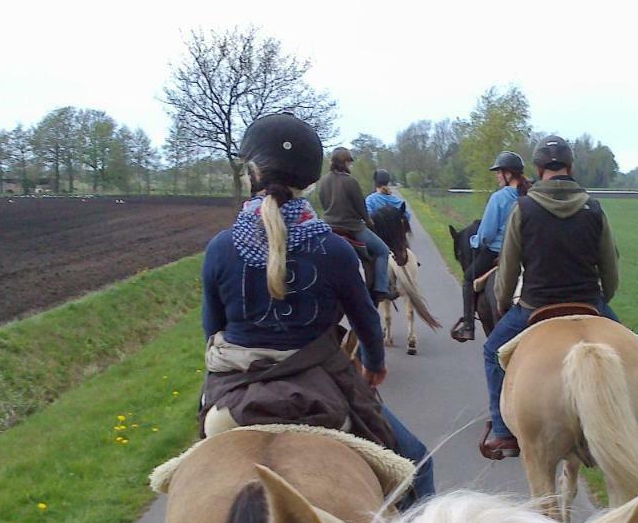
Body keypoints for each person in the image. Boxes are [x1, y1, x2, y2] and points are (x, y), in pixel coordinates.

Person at [200, 113, 433, 502]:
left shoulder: (220, 248)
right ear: (309, 181)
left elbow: (212, 331)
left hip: (232, 400)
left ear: (251, 172)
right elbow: (365, 321)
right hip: (321, 391)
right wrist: (374, 364)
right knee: (419, 466)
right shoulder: (335, 250)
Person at [479, 135, 621, 460]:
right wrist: (602, 302)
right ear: (570, 167)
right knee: (637, 349)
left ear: (539, 168)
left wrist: (502, 302)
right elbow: (611, 271)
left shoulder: (523, 208)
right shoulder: (594, 208)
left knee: (490, 352)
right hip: (589, 302)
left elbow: (509, 270)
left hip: (534, 306)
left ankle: (503, 432)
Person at [450, 150, 531, 342]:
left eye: (498, 172)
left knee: (469, 279)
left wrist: (474, 241)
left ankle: (468, 326)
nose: (497, 176)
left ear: (508, 173)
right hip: (527, 252)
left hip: (497, 252)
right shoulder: (531, 194)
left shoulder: (500, 197)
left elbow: (486, 235)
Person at [315, 147, 394, 302]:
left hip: (328, 226)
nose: (350, 166)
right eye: (350, 163)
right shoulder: (350, 181)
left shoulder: (322, 181)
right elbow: (361, 209)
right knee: (383, 250)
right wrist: (370, 222)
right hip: (352, 227)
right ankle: (381, 289)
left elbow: (324, 204)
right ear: (345, 162)